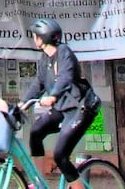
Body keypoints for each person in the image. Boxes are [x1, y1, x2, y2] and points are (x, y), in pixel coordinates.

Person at [18, 18, 98, 189]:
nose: (34, 38)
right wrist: (23, 103)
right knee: (36, 131)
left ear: (41, 38)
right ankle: (38, 182)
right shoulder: (44, 59)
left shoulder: (63, 52)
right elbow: (38, 84)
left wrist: (53, 96)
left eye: (35, 36)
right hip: (62, 108)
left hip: (80, 108)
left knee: (60, 155)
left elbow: (65, 77)